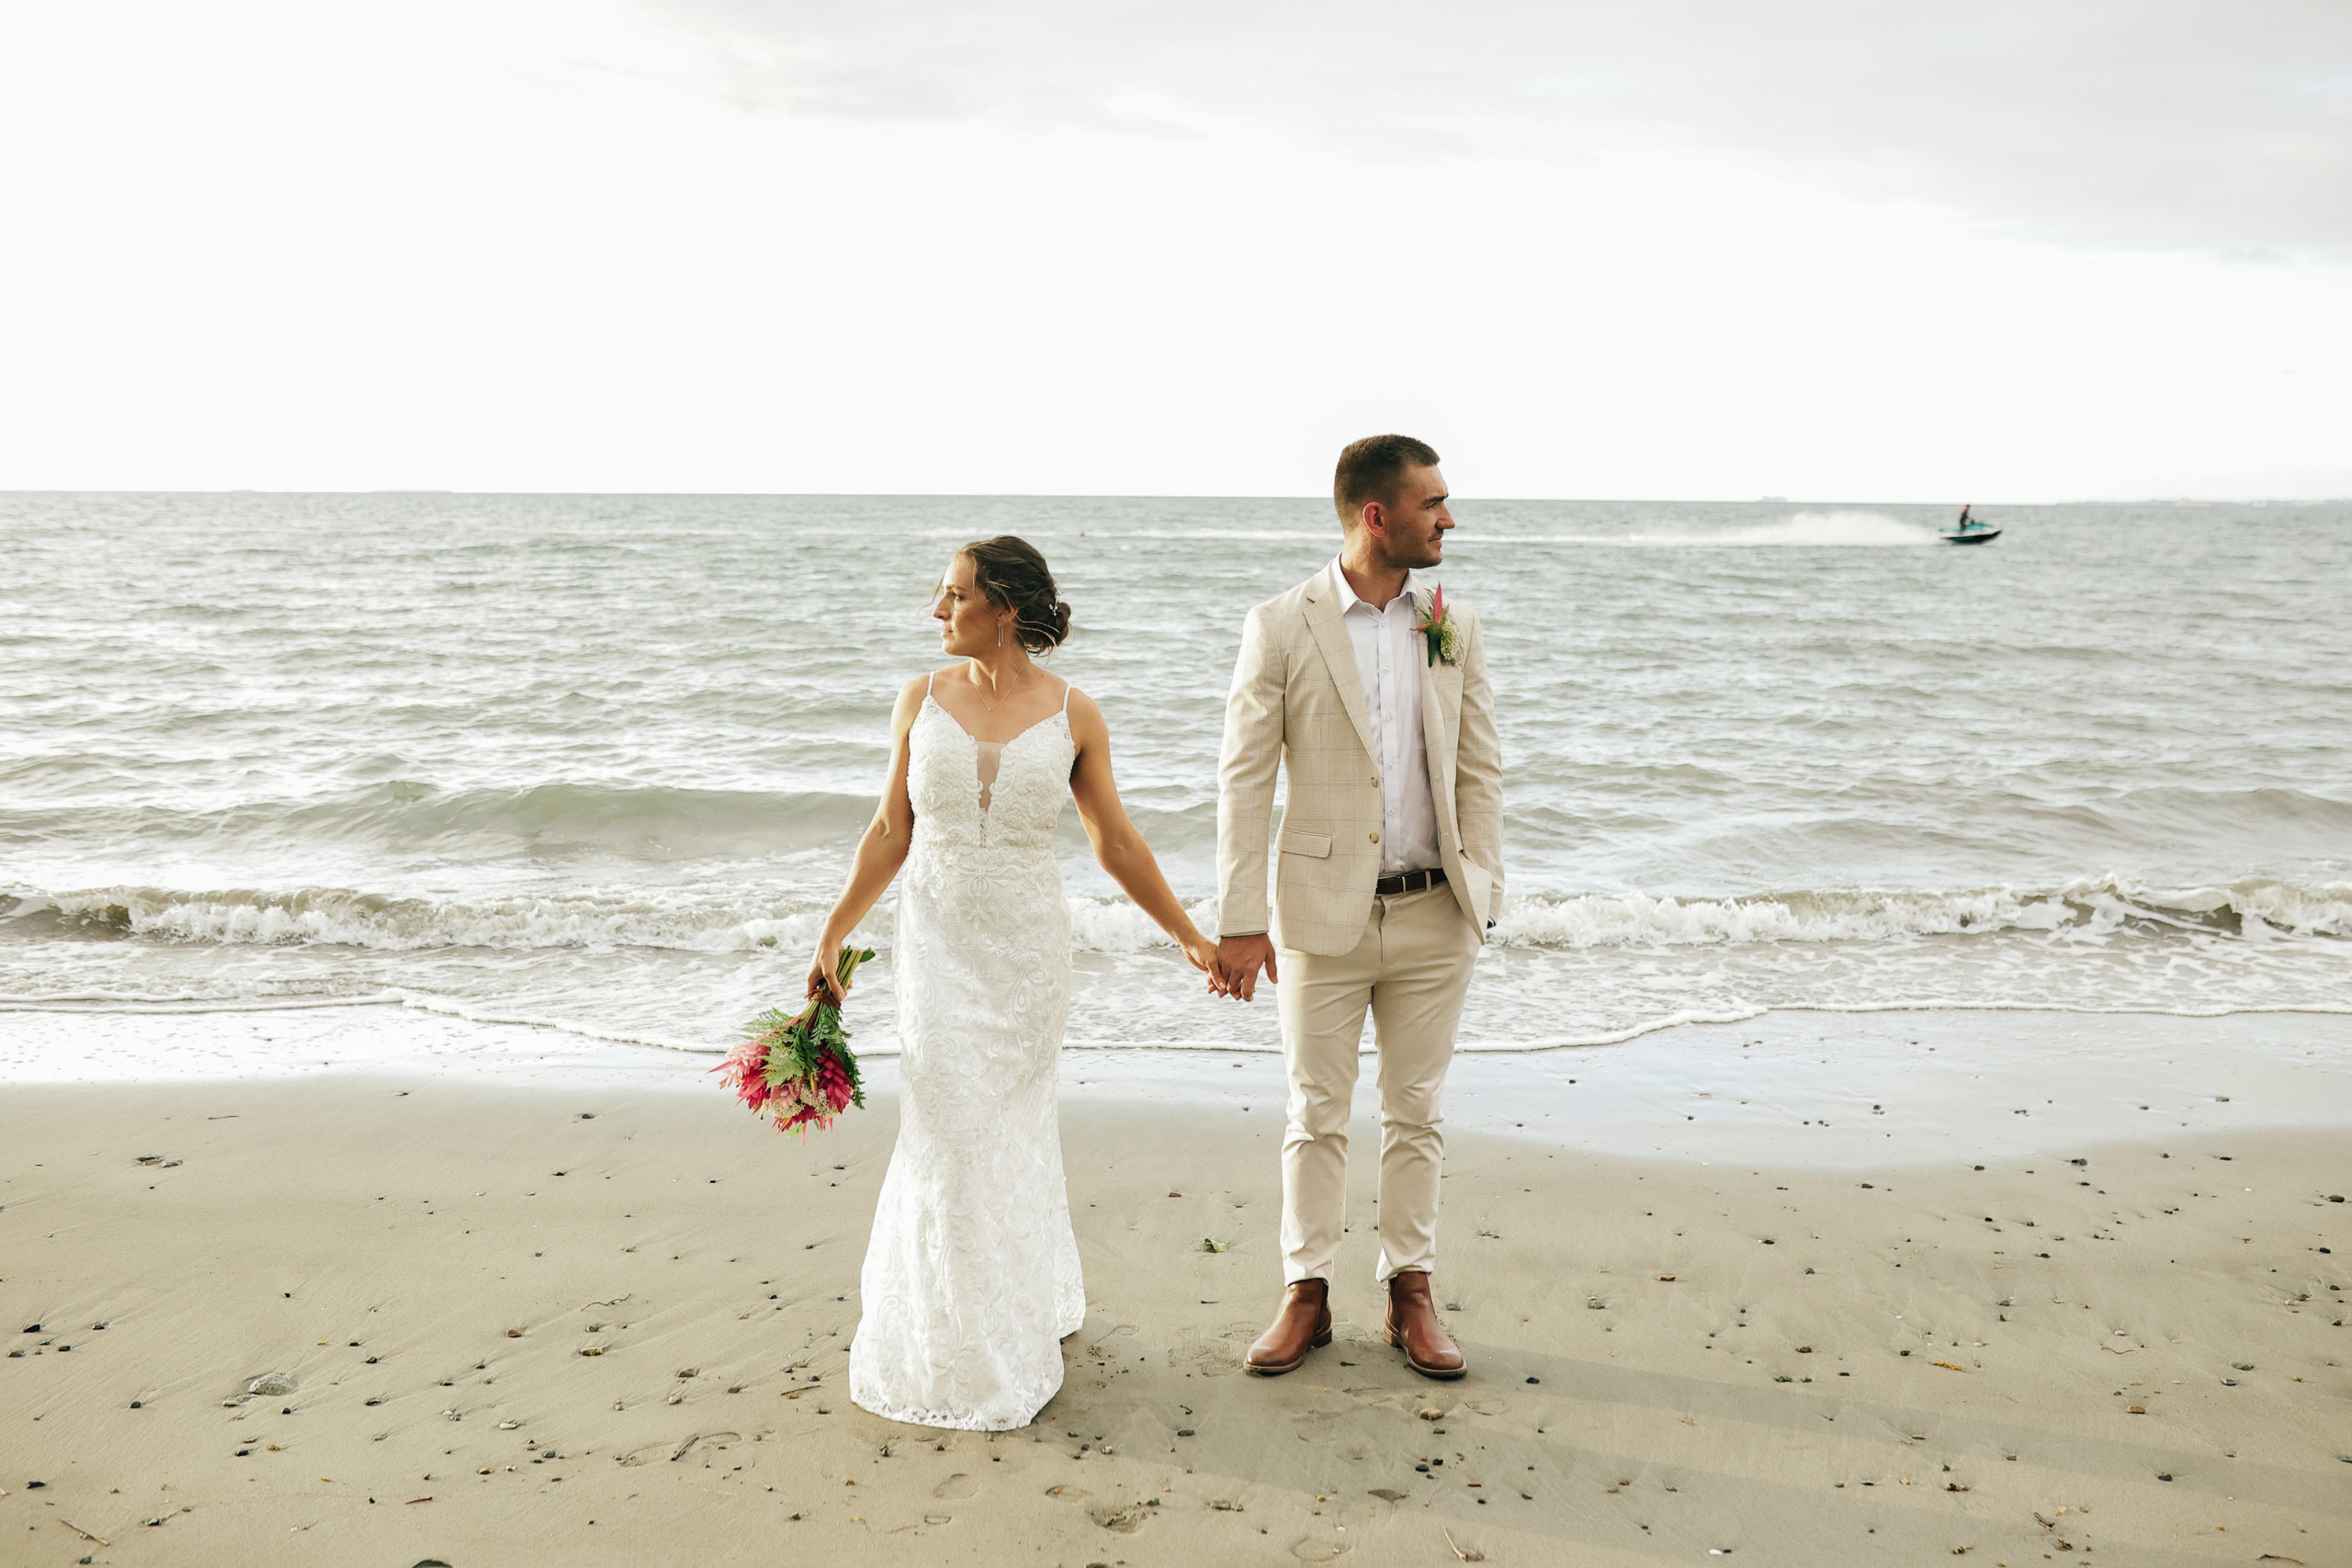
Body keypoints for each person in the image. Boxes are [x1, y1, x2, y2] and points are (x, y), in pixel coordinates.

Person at [807, 536, 1221, 1430]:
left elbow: (1114, 842)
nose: (935, 610)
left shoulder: (1076, 715)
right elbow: (889, 830)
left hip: (1028, 956)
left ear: (1001, 607)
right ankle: (952, 1344)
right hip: (939, 948)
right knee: (949, 1133)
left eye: (952, 595)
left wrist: (1188, 934)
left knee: (1005, 1133)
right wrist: (834, 932)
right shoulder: (919, 700)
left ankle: (1012, 1314)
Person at [1213, 434, 1504, 1381]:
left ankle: (1410, 1290)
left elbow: (1478, 762)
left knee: (1416, 1111)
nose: (1449, 518)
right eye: (1434, 503)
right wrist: (1239, 918)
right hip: (1317, 916)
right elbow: (1244, 780)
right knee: (1315, 1112)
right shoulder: (1280, 625)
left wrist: (1482, 883)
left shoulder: (1450, 618)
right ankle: (1306, 1293)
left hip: (1434, 916)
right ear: (1377, 515)